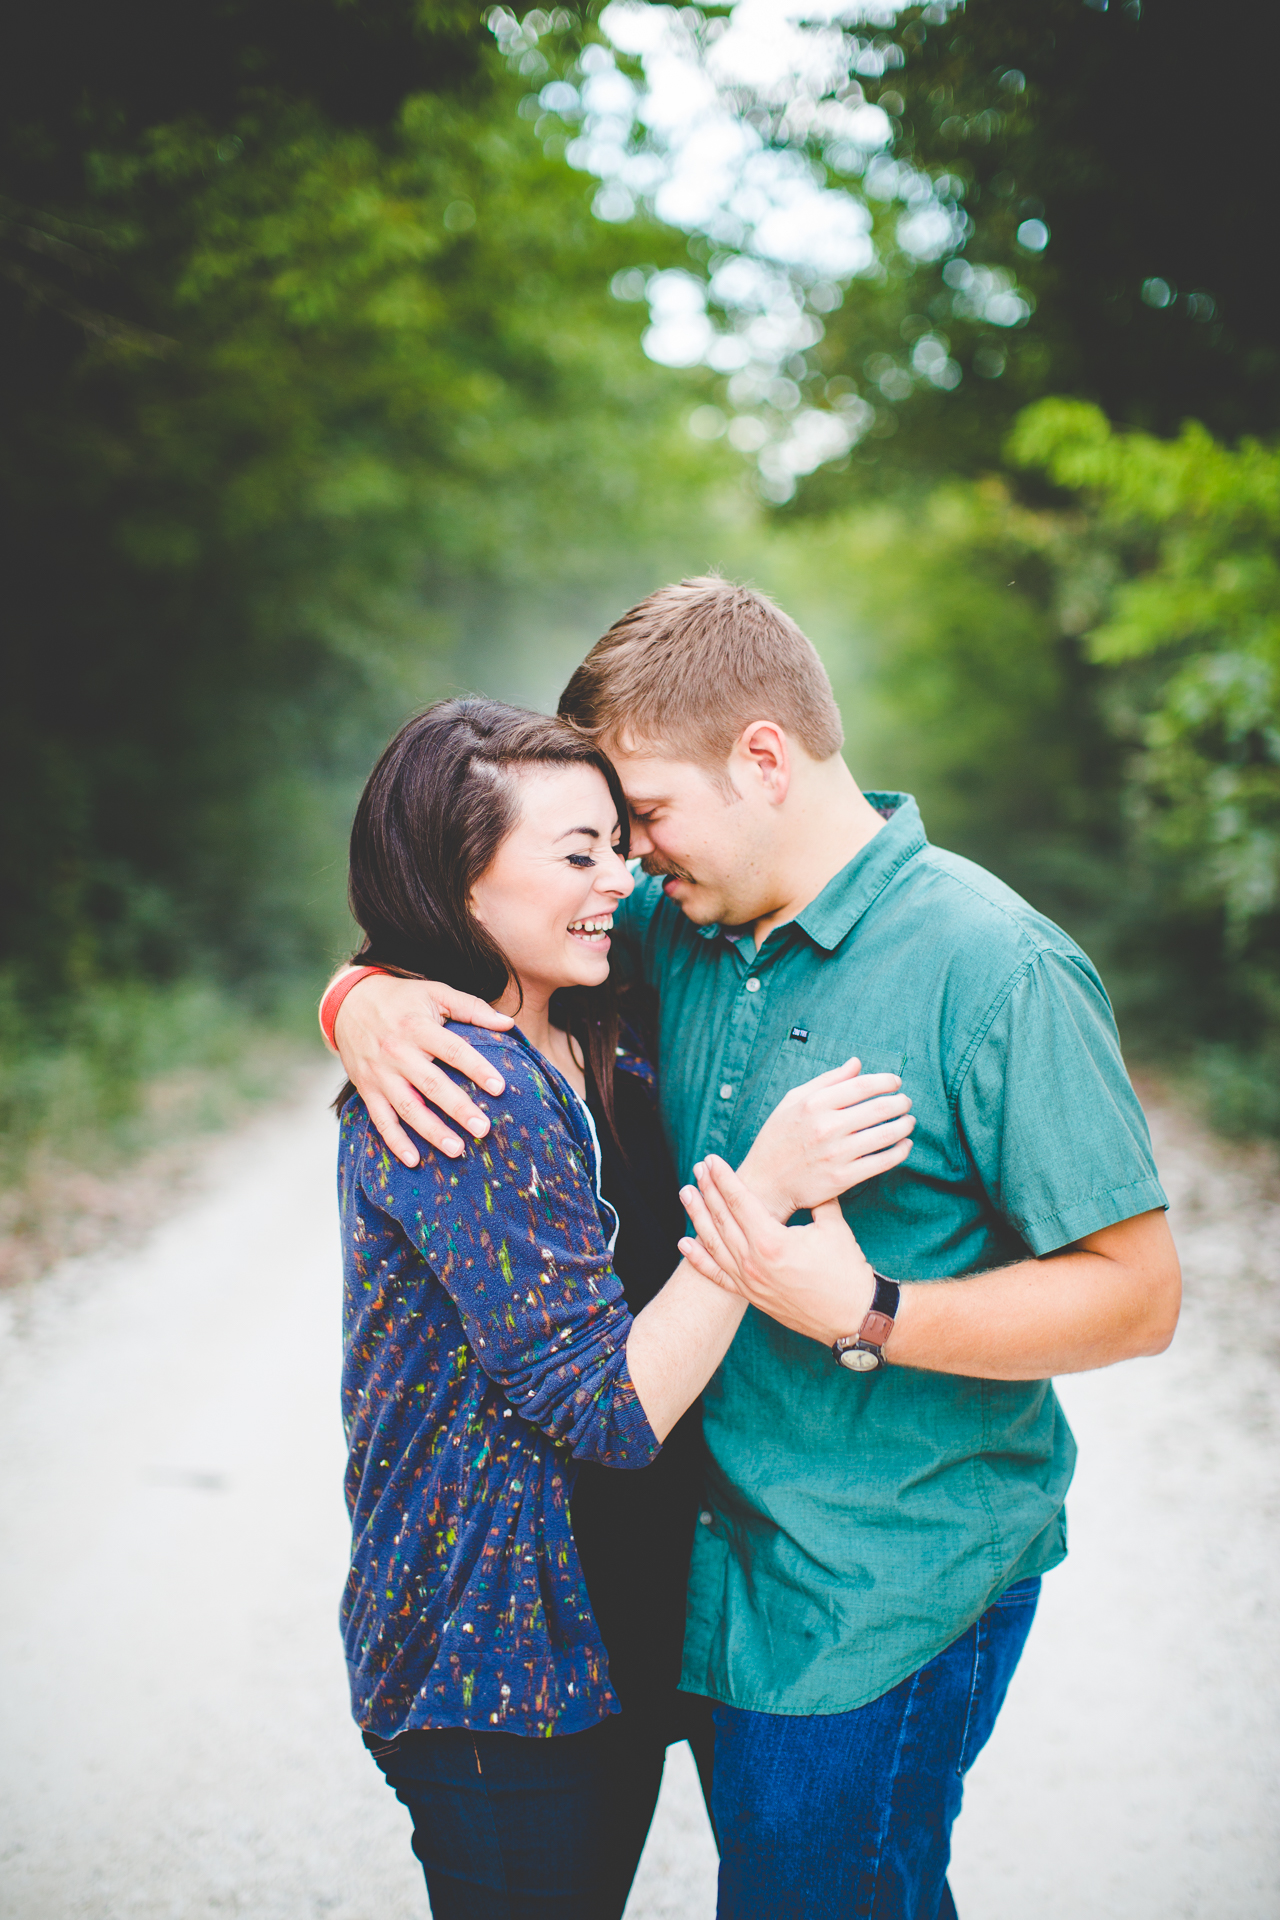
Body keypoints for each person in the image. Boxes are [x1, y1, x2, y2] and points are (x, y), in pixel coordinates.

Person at [327, 578, 1182, 1920]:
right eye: (612, 837)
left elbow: (1139, 1299)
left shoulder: (995, 967)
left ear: (764, 760)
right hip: (702, 1583)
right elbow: (475, 913)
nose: (630, 860)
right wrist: (366, 997)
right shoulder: (673, 923)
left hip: (876, 1586)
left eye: (647, 816)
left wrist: (874, 1307)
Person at [334, 696, 915, 1920]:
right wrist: (764, 1192)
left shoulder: (591, 1023)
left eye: (617, 842)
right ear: (456, 876)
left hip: (605, 1624)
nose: (621, 877)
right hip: (499, 1665)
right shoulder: (466, 1087)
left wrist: (354, 991)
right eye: (576, 854)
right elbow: (607, 1407)